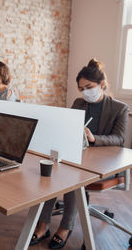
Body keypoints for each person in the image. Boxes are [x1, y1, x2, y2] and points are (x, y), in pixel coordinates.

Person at [30, 58, 129, 249]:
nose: (85, 92)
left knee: (72, 178)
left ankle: (65, 228)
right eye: (81, 89)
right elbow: (66, 124)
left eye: (88, 87)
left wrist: (93, 138)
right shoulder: (78, 102)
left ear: (102, 84)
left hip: (104, 162)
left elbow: (119, 138)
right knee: (51, 173)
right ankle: (43, 225)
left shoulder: (120, 108)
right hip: (76, 155)